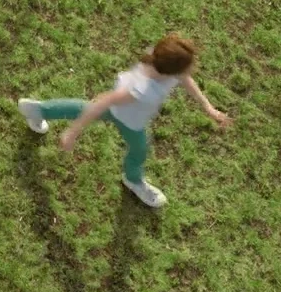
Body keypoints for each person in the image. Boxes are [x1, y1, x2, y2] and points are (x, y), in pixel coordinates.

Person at [15, 34, 233, 209]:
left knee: (80, 107)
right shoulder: (143, 89)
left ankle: (37, 109)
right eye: (188, 66)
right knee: (139, 148)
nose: (191, 69)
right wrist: (72, 133)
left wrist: (207, 107)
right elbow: (104, 101)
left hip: (125, 113)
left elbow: (185, 78)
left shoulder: (160, 62)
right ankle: (133, 180)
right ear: (171, 69)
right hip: (129, 120)